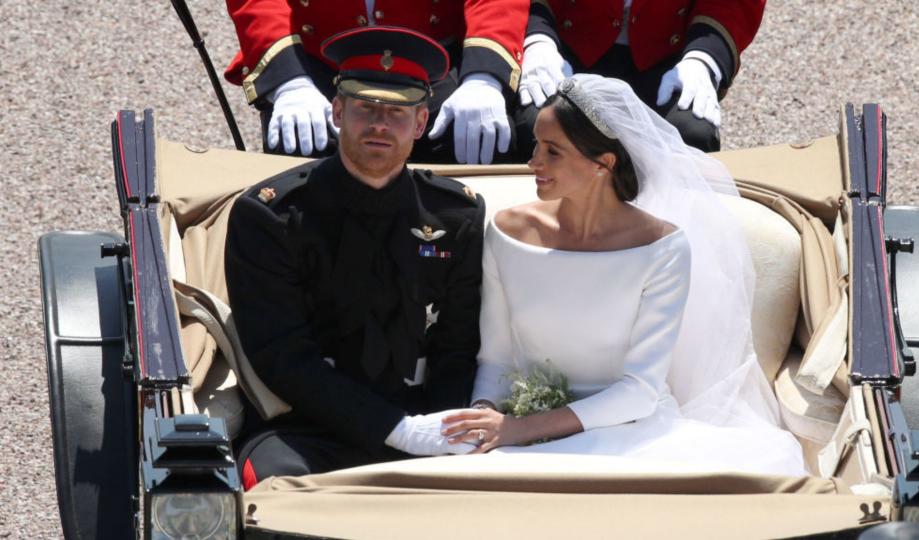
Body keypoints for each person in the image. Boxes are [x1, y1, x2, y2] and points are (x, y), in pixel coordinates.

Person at [440, 74, 806, 476]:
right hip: (519, 432)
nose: (533, 163)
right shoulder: (507, 232)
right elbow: (495, 357)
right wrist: (483, 417)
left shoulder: (663, 249)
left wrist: (521, 429)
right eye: (535, 146)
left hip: (630, 434)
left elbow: (640, 391)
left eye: (553, 152)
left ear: (604, 164)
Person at [224, 27, 487, 489]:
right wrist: (395, 429)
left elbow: (458, 344)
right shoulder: (271, 215)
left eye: (397, 112)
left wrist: (444, 429)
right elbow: (282, 355)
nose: (380, 124)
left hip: (427, 417)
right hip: (310, 425)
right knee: (274, 495)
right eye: (365, 108)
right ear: (338, 111)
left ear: (421, 123)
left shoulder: (456, 213)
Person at [224, 0, 529, 164]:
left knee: (481, 142)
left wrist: (484, 77)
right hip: (321, 60)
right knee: (300, 152)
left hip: (430, 58)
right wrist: (290, 82)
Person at [513, 0, 765, 155]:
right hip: (565, 44)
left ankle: (666, 238)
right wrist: (537, 37)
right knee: (537, 127)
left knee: (690, 135)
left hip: (668, 53)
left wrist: (703, 58)